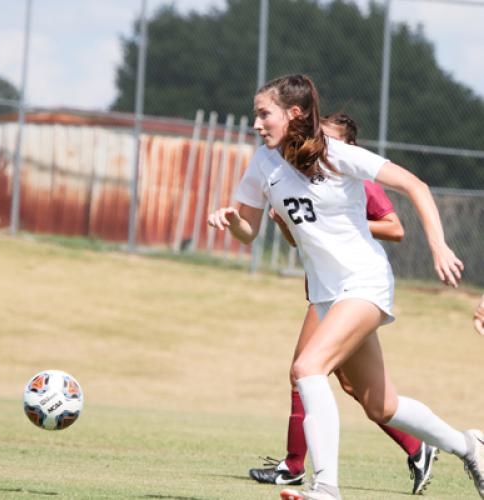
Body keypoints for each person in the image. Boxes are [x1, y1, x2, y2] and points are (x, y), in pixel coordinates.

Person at [207, 74, 484, 500]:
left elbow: (416, 186)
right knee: (381, 405)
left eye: (264, 114)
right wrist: (234, 222)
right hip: (325, 294)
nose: (257, 124)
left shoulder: (338, 154)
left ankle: (326, 488)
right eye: (256, 115)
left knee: (307, 369)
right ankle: (471, 448)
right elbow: (249, 231)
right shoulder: (263, 163)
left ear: (293, 114)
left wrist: (439, 245)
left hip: (365, 282)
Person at [248, 113, 439, 496]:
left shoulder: (354, 177)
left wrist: (338, 220)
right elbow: (295, 236)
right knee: (352, 387)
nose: (316, 145)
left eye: (329, 139)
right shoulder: (299, 172)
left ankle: (302, 470)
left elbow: (395, 228)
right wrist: (287, 221)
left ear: (348, 146)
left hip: (353, 289)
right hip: (323, 289)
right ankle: (422, 445)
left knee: (306, 370)